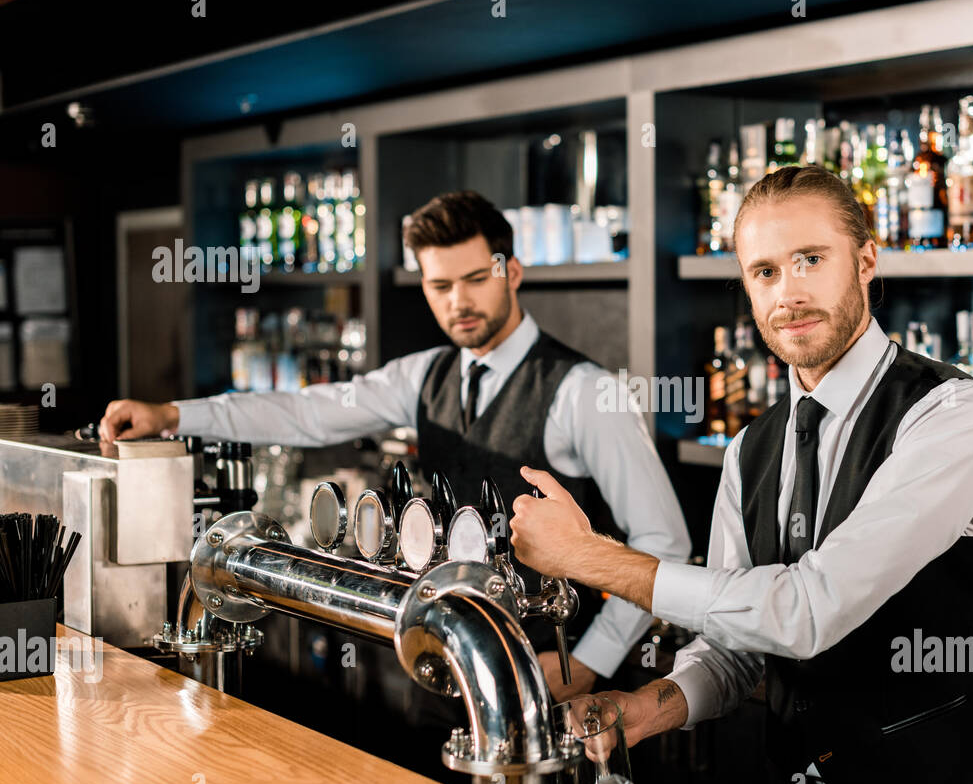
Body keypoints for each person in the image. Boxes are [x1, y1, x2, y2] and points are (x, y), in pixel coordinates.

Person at [510, 165, 973, 784]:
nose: (790, 293)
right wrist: (652, 705)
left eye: (811, 259)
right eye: (765, 271)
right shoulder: (751, 450)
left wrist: (590, 558)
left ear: (867, 259)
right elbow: (735, 644)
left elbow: (809, 608)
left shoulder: (951, 415)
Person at [99, 189, 690, 701]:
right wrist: (174, 414)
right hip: (441, 652)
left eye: (475, 279)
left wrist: (588, 666)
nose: (457, 301)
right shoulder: (425, 375)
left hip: (546, 667)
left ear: (511, 271)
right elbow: (309, 412)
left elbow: (667, 543)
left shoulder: (583, 391)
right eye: (439, 285)